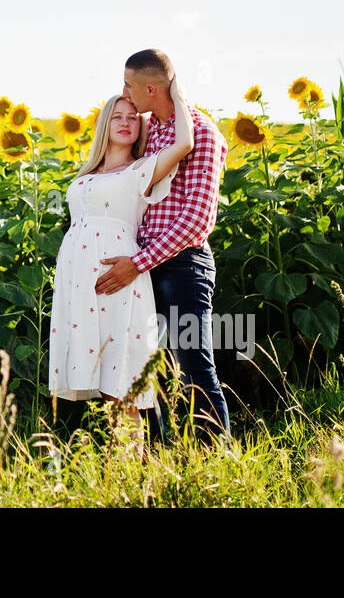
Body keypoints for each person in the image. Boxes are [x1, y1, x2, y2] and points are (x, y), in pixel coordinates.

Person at [96, 48, 232, 446]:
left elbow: (197, 221)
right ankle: (157, 462)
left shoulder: (203, 133)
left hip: (183, 268)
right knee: (146, 370)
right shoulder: (149, 129)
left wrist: (138, 263)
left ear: (151, 88)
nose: (124, 92)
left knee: (193, 368)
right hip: (142, 266)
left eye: (128, 85)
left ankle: (214, 467)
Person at [48, 88, 193, 454]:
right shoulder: (86, 173)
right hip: (80, 282)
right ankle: (116, 471)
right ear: (104, 124)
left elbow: (185, 143)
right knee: (99, 375)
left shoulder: (142, 168)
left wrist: (174, 92)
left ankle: (130, 474)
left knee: (122, 379)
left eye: (133, 117)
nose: (126, 123)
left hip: (120, 280)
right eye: (118, 116)